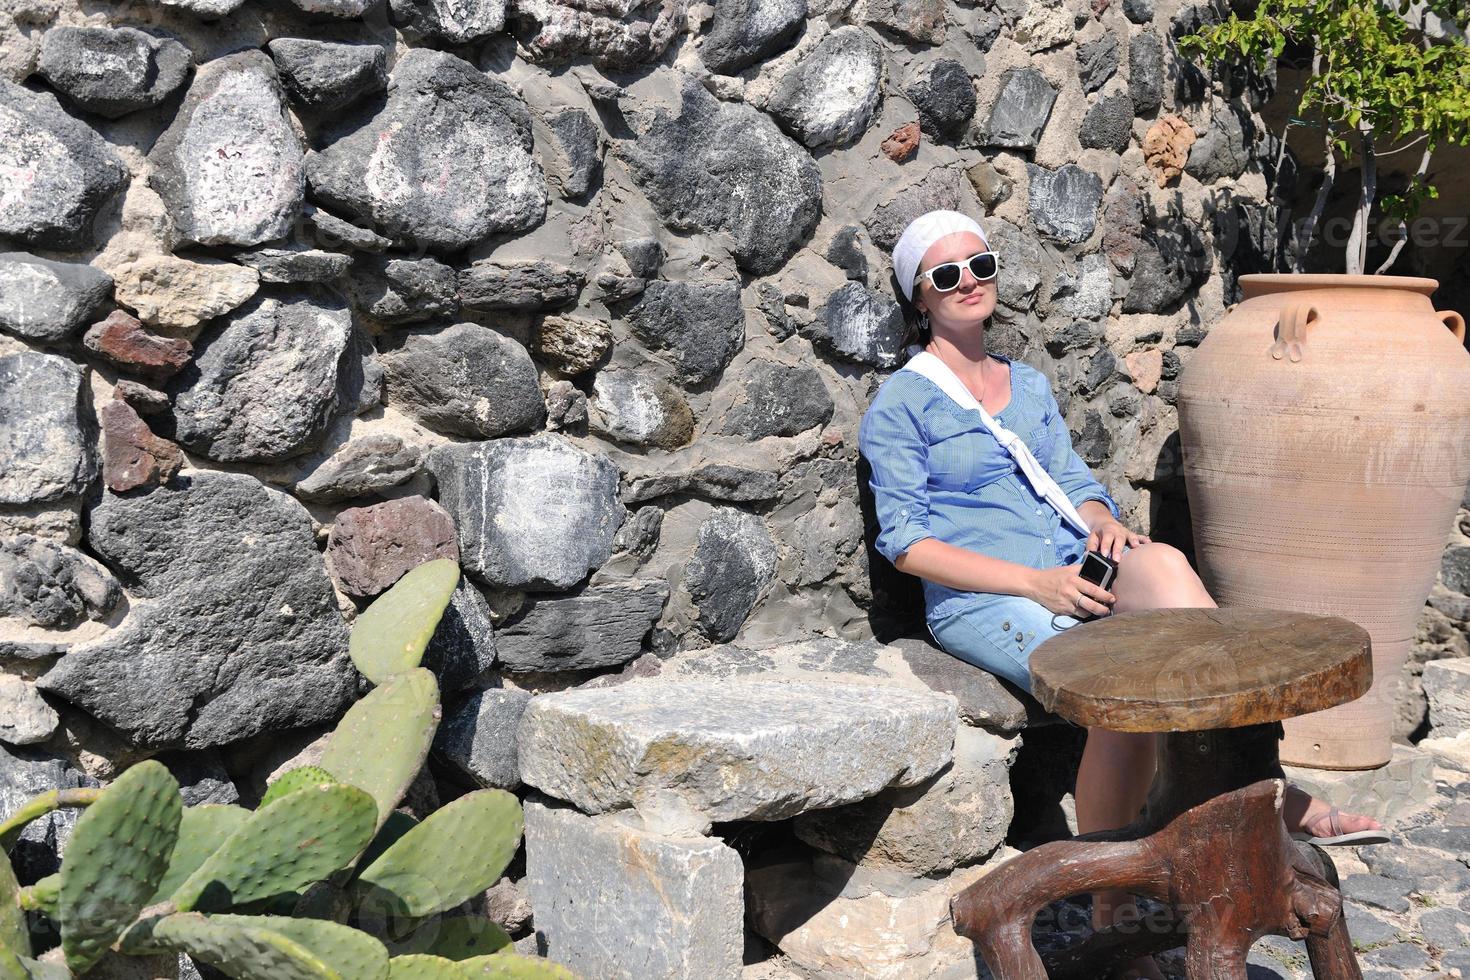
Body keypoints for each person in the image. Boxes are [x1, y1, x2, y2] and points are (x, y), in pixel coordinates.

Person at [857, 209, 1387, 980]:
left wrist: (1103, 522)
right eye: (946, 275)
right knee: (1121, 680)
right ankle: (1115, 906)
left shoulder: (1026, 383)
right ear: (921, 298)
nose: (968, 282)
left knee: (1168, 567)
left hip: (1077, 559)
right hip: (989, 594)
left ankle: (1260, 783)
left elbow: (1072, 484)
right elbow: (907, 544)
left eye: (981, 264)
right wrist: (1034, 582)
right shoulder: (900, 407)